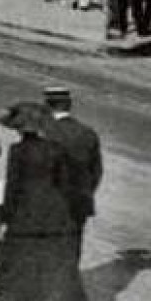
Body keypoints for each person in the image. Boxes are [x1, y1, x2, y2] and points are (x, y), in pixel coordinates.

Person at [0, 102, 93, 301]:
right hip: (55, 218)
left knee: (10, 266)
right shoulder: (58, 151)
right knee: (55, 268)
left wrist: (4, 219)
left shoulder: (18, 152)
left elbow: (13, 190)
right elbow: (66, 186)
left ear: (20, 130)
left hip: (25, 219)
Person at [42, 86, 102, 265]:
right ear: (69, 105)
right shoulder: (88, 133)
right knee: (72, 247)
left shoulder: (45, 132)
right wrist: (85, 191)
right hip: (79, 200)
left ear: (47, 105)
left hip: (49, 201)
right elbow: (96, 170)